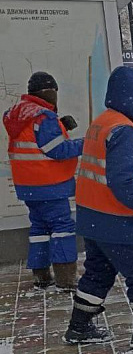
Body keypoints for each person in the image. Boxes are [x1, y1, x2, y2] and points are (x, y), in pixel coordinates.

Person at [63, 66, 133, 349]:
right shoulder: (124, 131)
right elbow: (122, 184)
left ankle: (79, 327)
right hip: (118, 222)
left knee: (98, 273)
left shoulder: (102, 122)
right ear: (131, 97)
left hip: (92, 218)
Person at [2, 71, 83, 291]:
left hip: (27, 186)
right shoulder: (44, 117)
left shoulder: (16, 113)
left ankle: (41, 276)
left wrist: (61, 127)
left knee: (39, 228)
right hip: (49, 185)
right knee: (62, 227)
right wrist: (86, 143)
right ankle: (66, 278)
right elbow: (56, 149)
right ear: (49, 92)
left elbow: (33, 141)